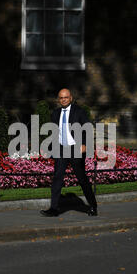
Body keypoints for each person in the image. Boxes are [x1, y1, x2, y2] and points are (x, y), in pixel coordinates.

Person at [40, 88, 98, 217]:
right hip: (61, 150)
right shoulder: (55, 113)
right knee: (57, 179)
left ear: (70, 98)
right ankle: (54, 209)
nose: (63, 100)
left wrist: (85, 145)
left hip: (76, 149)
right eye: (61, 98)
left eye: (66, 97)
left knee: (82, 179)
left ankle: (93, 206)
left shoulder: (79, 111)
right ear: (58, 99)